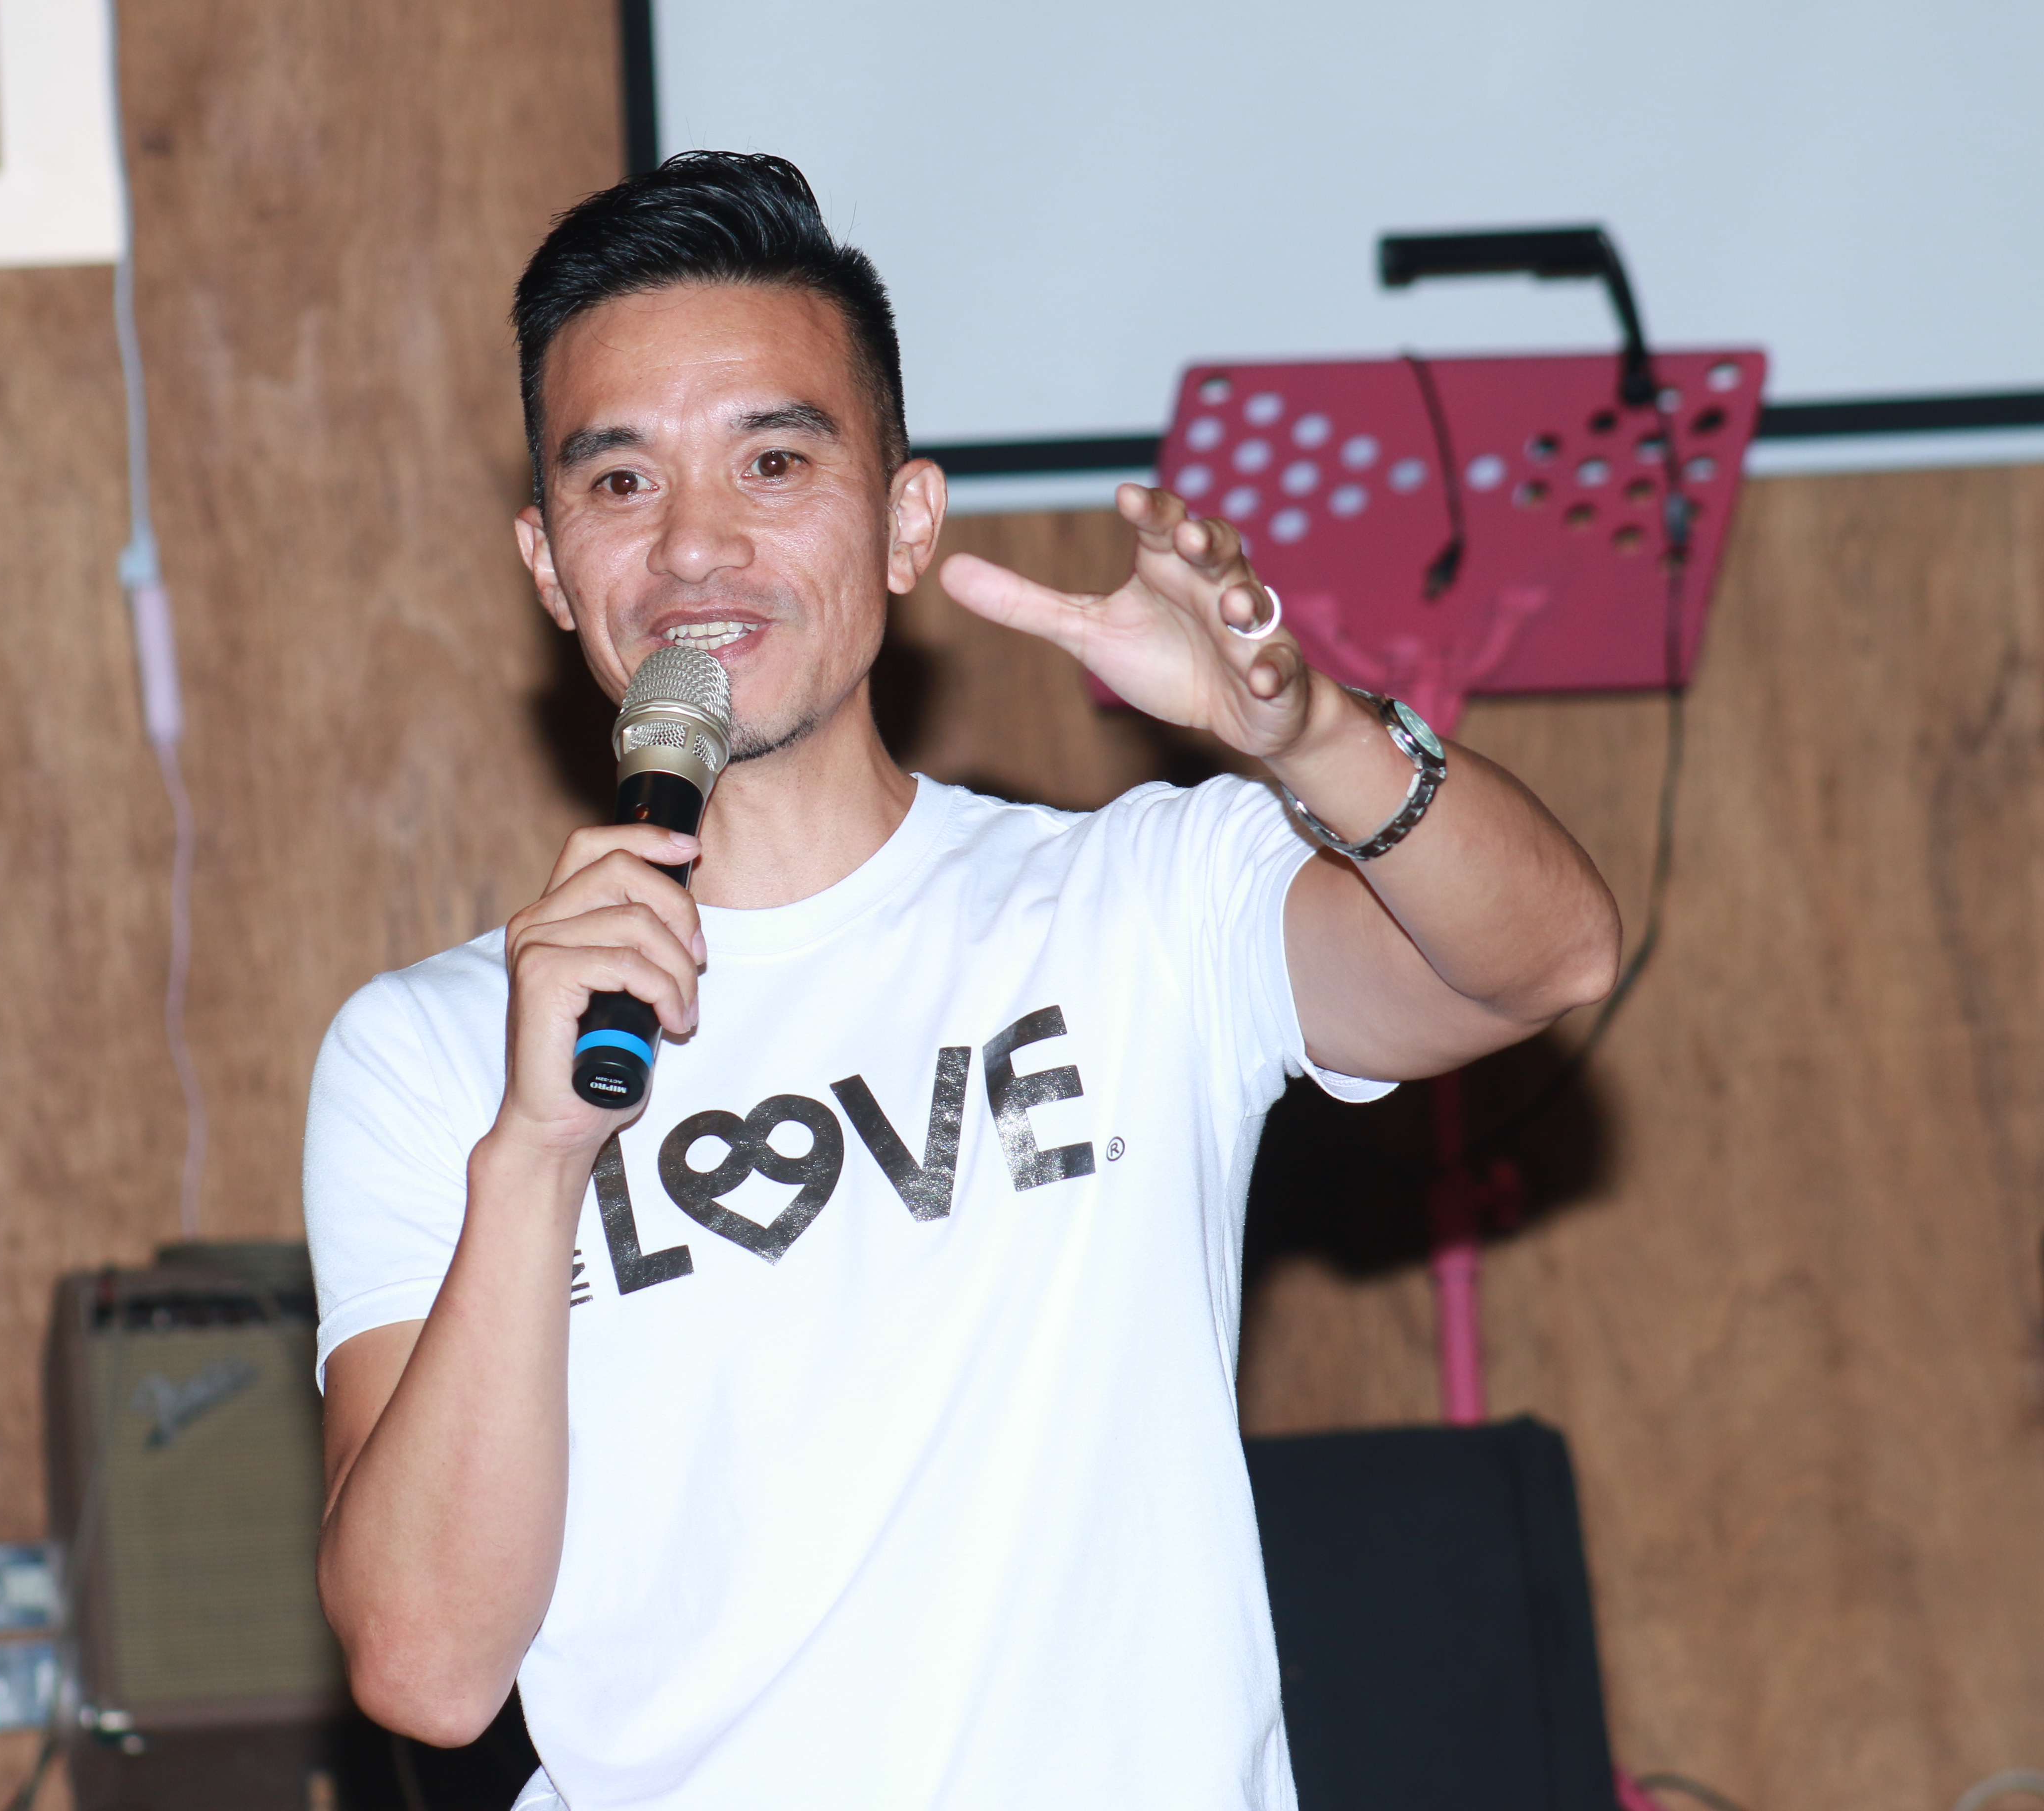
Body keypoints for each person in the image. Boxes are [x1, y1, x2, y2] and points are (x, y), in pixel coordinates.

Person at [304, 152, 1618, 1809]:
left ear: (905, 522)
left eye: (774, 461)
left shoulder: (1139, 904)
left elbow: (1549, 956)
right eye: (621, 482)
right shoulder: (434, 1056)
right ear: (552, 563)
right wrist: (537, 1150)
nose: (695, 548)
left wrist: (1315, 738)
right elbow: (426, 1671)